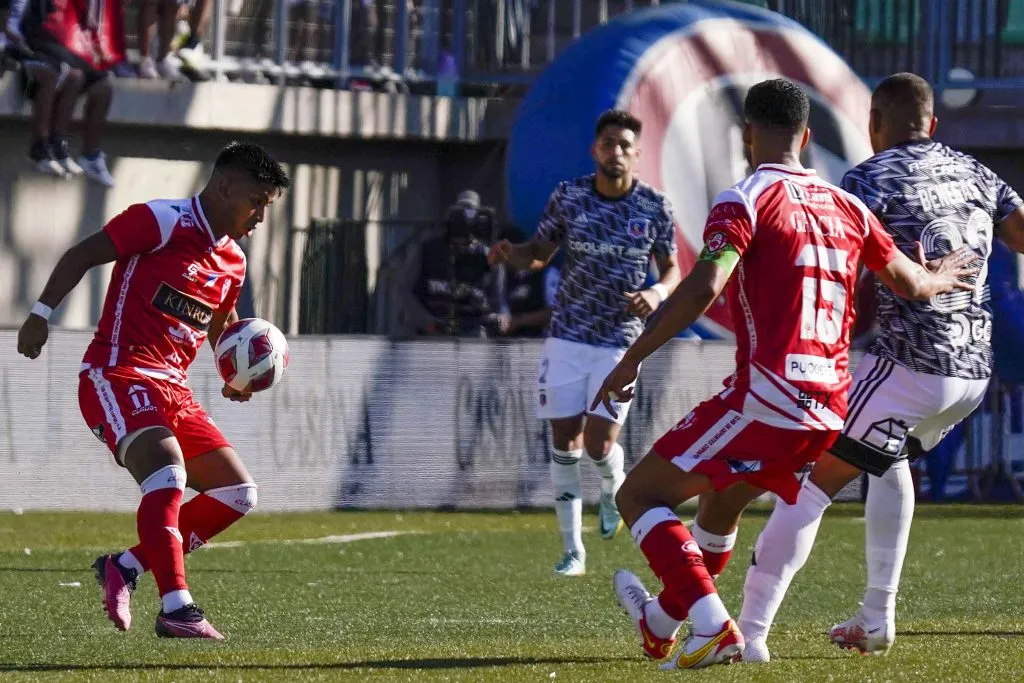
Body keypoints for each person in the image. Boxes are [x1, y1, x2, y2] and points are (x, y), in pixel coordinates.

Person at [592, 78, 976, 670]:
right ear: (809, 135)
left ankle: (717, 629)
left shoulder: (745, 198)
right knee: (719, 509)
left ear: (748, 134)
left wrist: (632, 357)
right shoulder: (848, 206)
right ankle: (660, 620)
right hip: (829, 408)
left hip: (770, 397)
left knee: (639, 494)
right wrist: (944, 279)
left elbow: (704, 284)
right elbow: (909, 281)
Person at [728, 72, 1024, 662]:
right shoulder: (977, 172)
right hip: (973, 373)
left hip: (909, 367)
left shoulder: (866, 178)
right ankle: (876, 618)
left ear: (873, 125)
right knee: (887, 463)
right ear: (933, 124)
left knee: (810, 484)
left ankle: (750, 634)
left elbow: (842, 264)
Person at [16, 142, 291, 639]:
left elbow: (220, 324)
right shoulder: (162, 221)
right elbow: (84, 253)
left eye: (267, 207)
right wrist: (40, 314)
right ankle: (177, 608)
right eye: (257, 202)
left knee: (237, 492)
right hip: (116, 374)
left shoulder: (233, 262)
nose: (259, 218)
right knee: (167, 474)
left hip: (175, 390)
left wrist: (234, 372)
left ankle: (124, 566)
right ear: (225, 186)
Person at [487, 109, 682, 576]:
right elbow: (539, 254)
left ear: (637, 154)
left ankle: (614, 488)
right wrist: (509, 255)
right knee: (564, 439)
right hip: (568, 336)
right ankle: (573, 550)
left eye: (625, 146)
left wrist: (655, 292)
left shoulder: (654, 206)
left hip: (621, 342)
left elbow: (673, 270)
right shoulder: (569, 196)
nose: (616, 152)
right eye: (608, 143)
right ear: (595, 150)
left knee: (599, 442)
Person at [18, 0, 118, 185]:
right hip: (34, 45)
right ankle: (42, 147)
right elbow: (32, 28)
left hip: (62, 44)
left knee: (103, 84)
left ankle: (88, 155)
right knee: (70, 75)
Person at [403, 190, 507, 338]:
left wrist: (501, 319)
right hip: (432, 332)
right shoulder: (428, 249)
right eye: (461, 217)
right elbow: (405, 289)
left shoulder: (489, 256)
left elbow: (499, 300)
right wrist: (427, 322)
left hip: (474, 334)